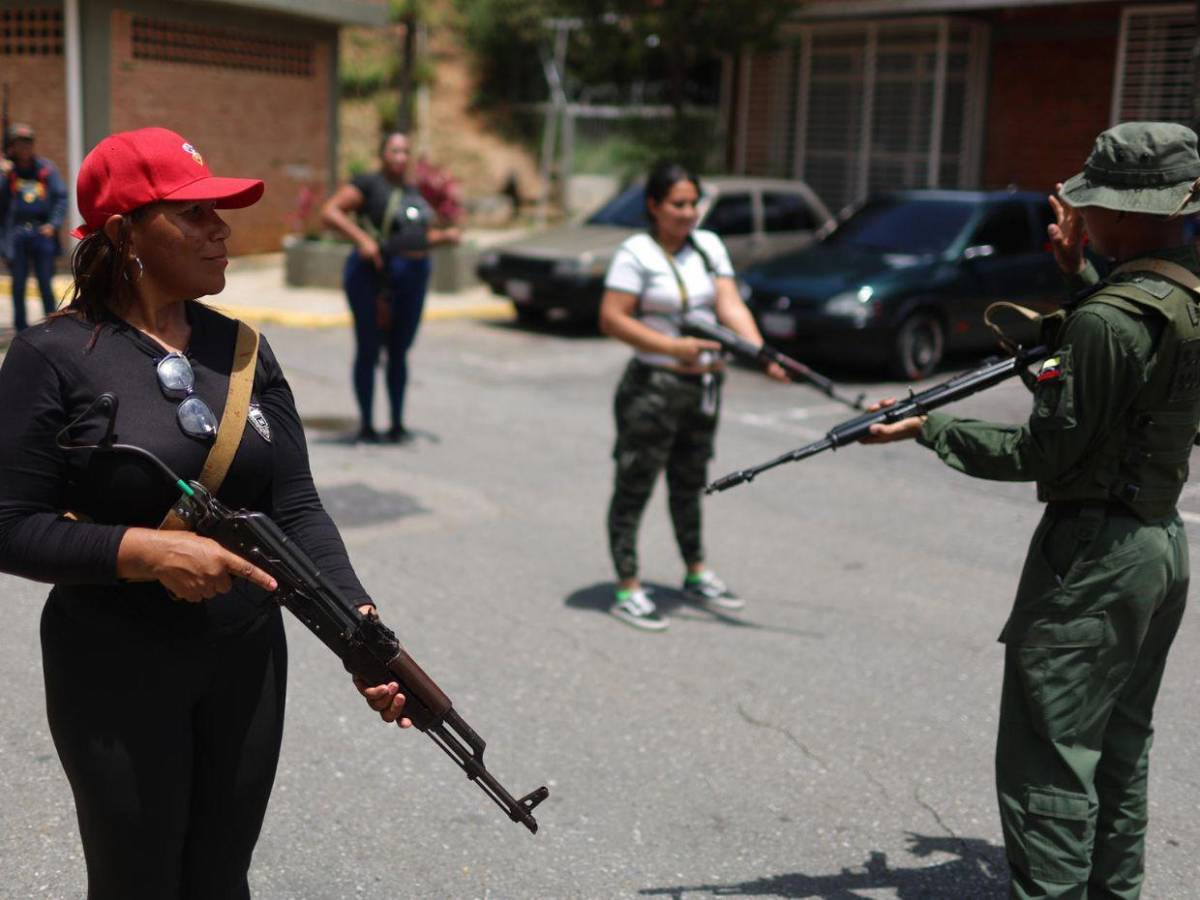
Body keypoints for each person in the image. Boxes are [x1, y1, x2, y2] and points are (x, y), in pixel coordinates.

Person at [0, 126, 410, 900]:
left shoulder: (243, 349)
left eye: (218, 211)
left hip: (245, 660)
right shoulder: (50, 357)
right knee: (137, 882)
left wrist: (359, 627)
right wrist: (149, 553)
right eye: (192, 213)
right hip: (113, 666)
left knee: (221, 878)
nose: (220, 229)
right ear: (124, 232)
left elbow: (294, 504)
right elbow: (9, 523)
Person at [862, 121, 1200, 898]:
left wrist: (931, 427)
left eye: (1095, 203)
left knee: (1049, 759)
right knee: (1119, 749)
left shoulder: (1106, 320)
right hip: (1159, 546)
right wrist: (1082, 272)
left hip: (1093, 559)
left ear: (1126, 211)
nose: (1084, 214)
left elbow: (1043, 454)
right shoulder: (1183, 297)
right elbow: (1144, 370)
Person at [598, 161, 788, 631]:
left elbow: (729, 304)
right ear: (654, 206)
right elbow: (612, 318)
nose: (687, 213)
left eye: (693, 204)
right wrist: (672, 348)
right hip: (653, 386)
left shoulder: (707, 246)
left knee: (689, 482)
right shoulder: (636, 253)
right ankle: (628, 586)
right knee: (635, 484)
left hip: (702, 386)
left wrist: (760, 352)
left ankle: (695, 571)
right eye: (677, 204)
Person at [321, 131, 461, 443]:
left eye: (405, 151)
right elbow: (330, 212)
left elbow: (416, 236)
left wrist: (446, 236)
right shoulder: (369, 184)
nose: (401, 157)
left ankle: (397, 425)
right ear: (382, 154)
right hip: (374, 276)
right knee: (369, 349)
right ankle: (367, 426)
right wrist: (362, 239)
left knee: (399, 351)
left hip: (413, 278)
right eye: (395, 150)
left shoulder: (412, 191)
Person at [0, 122, 68, 331]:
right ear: (11, 147)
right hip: (16, 233)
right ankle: (21, 328)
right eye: (19, 143)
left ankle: (51, 325)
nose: (25, 148)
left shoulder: (45, 169)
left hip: (41, 232)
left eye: (28, 143)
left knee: (45, 282)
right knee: (18, 284)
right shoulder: (7, 171)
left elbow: (61, 197)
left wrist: (53, 224)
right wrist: (3, 176)